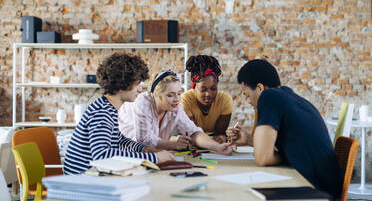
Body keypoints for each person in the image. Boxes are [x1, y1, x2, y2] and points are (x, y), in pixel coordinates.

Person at [231, 59, 342, 198]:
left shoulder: (268, 96)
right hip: (325, 187)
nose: (248, 101)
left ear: (259, 88)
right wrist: (249, 140)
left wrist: (282, 157)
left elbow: (263, 158)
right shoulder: (290, 97)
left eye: (247, 94)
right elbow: (274, 149)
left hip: (315, 191)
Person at [63, 53, 175, 175]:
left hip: (91, 175)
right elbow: (102, 155)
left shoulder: (107, 107)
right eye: (137, 84)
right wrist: (154, 158)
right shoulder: (102, 113)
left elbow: (119, 140)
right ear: (122, 84)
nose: (140, 89)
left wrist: (144, 149)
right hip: (81, 180)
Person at [118, 70, 234, 154]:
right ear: (157, 96)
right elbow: (144, 140)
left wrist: (217, 147)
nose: (177, 99)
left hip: (154, 153)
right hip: (126, 153)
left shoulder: (176, 108)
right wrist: (174, 144)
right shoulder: (143, 103)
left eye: (179, 93)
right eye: (170, 95)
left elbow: (193, 132)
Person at [180, 55, 233, 143]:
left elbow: (220, 134)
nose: (209, 94)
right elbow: (193, 134)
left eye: (213, 89)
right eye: (203, 89)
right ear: (194, 86)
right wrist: (214, 140)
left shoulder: (225, 100)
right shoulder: (185, 100)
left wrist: (223, 137)